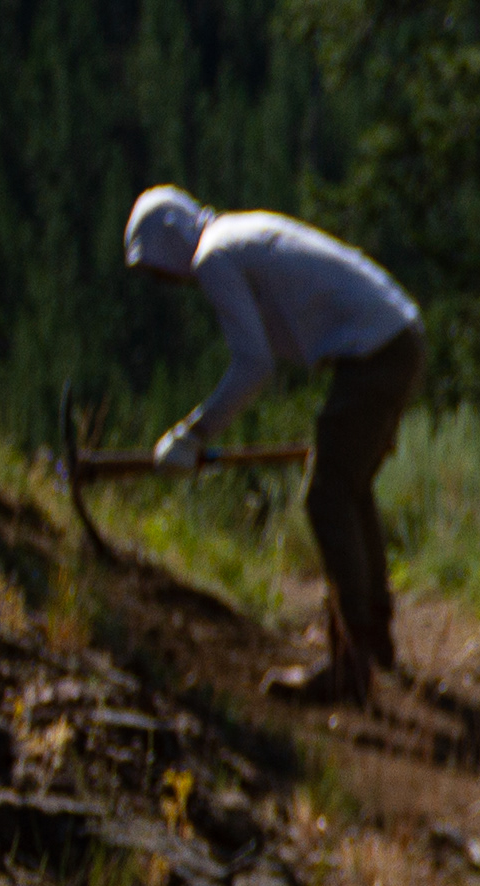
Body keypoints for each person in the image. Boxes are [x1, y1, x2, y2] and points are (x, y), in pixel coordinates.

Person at [121, 187, 426, 706]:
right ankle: (374, 640)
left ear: (169, 241)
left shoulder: (214, 255)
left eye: (156, 269)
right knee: (349, 490)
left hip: (376, 353)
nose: (165, 282)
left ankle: (350, 665)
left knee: (327, 498)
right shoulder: (238, 232)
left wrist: (193, 433)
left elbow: (254, 364)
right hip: (398, 337)